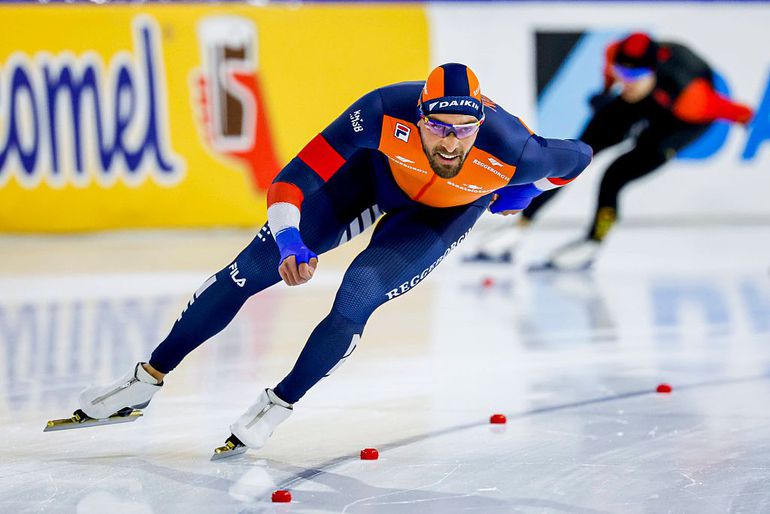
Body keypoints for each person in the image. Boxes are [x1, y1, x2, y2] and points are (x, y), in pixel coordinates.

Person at [58, 63, 592, 456]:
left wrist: (530, 188)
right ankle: (144, 381)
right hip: (369, 182)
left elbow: (580, 157)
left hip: (434, 220)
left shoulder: (518, 151)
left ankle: (278, 404)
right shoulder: (383, 108)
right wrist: (290, 240)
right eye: (437, 127)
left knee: (354, 300)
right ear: (419, 114)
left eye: (463, 131)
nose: (449, 144)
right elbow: (294, 177)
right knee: (248, 270)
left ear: (481, 125)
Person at [465, 32, 754, 270]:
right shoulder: (613, 53)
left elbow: (745, 114)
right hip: (639, 102)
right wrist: (606, 92)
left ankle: (593, 242)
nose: (625, 79)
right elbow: (619, 81)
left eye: (635, 74)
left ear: (652, 71)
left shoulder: (694, 98)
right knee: (573, 158)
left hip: (677, 124)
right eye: (621, 72)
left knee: (615, 176)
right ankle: (521, 227)